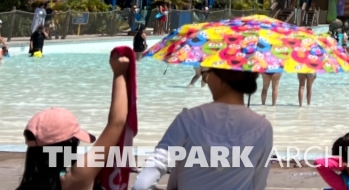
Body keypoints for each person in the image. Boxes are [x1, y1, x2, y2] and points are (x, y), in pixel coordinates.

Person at [133, 68, 273, 190]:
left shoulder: (187, 120)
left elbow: (142, 185)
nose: (207, 79)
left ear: (220, 78)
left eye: (208, 73)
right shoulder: (263, 128)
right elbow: (258, 185)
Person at [18, 48, 131, 190]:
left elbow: (117, 123)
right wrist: (119, 73)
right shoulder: (74, 177)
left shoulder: (29, 183)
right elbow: (117, 123)